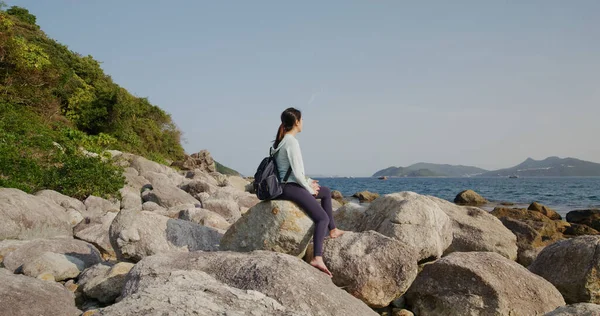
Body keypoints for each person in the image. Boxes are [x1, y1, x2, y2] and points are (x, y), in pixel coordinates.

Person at [271, 107, 345, 277]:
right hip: (289, 188)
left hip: (285, 186)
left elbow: (289, 171)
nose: (303, 122)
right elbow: (296, 174)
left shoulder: (282, 140)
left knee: (325, 191)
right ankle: (317, 257)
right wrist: (308, 187)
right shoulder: (291, 141)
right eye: (302, 119)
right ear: (296, 122)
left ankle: (333, 230)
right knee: (322, 218)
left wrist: (309, 181)